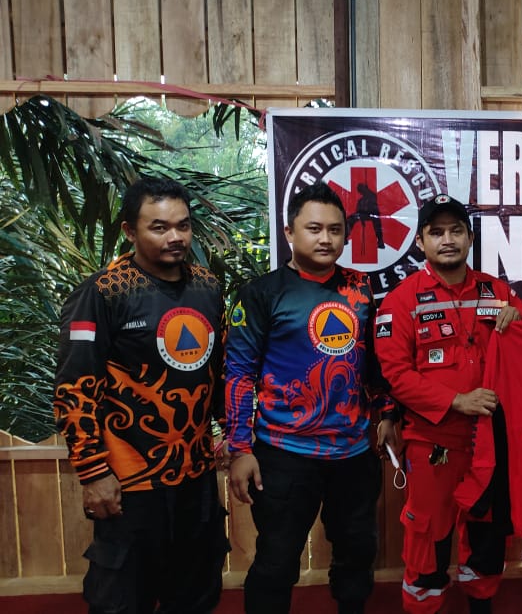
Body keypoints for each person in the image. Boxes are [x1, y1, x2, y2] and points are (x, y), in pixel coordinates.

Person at [54, 176, 228, 613]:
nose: (176, 237)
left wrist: (233, 434)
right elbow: (75, 388)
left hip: (196, 477)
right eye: (159, 227)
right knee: (122, 601)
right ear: (130, 231)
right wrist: (93, 472)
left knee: (196, 595)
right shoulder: (102, 293)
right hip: (130, 481)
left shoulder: (207, 288)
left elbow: (219, 373)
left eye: (183, 225)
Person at [374, 193, 522, 614]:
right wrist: (456, 400)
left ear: (470, 237)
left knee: (486, 538)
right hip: (433, 443)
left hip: (491, 443)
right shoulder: (401, 300)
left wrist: (521, 318)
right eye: (436, 232)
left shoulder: (495, 290)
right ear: (420, 242)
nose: (447, 240)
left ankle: (481, 605)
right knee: (427, 541)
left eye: (456, 231)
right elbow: (395, 375)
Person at [225, 182, 388, 614]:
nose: (325, 239)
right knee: (276, 562)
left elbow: (373, 361)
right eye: (314, 228)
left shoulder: (360, 289)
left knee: (357, 555)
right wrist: (240, 449)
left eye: (335, 230)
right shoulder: (261, 293)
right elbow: (239, 374)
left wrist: (387, 413)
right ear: (289, 232)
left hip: (353, 453)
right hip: (284, 454)